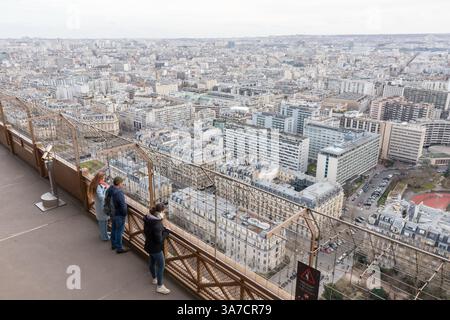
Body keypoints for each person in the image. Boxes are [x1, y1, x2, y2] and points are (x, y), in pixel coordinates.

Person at [143, 203, 170, 295]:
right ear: (160, 213)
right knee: (161, 265)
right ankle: (160, 286)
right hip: (156, 248)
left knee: (152, 262)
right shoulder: (157, 224)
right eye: (163, 212)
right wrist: (166, 232)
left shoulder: (148, 218)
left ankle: (154, 278)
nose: (164, 214)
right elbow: (159, 240)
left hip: (148, 245)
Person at [107, 176, 129, 254]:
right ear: (119, 183)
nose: (122, 184)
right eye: (122, 183)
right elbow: (123, 206)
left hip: (112, 213)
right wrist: (124, 214)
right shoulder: (119, 193)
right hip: (119, 214)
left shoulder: (110, 189)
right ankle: (119, 248)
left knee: (113, 229)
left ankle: (113, 244)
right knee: (119, 231)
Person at [88, 171, 110, 241]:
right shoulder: (98, 186)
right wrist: (106, 190)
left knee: (104, 221)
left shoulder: (95, 184)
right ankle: (104, 237)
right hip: (101, 207)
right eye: (103, 177)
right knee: (102, 222)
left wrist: (105, 187)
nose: (104, 179)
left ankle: (104, 233)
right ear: (100, 178)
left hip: (100, 206)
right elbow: (101, 197)